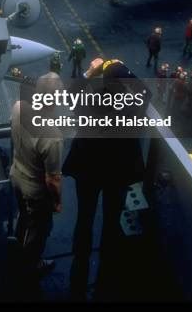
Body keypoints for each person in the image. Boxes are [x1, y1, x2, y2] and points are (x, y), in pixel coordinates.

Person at [62, 57, 150, 300]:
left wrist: (91, 70)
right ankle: (108, 262)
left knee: (85, 217)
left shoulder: (88, 102)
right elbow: (146, 90)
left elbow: (71, 92)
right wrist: (122, 67)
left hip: (88, 172)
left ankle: (80, 262)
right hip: (118, 174)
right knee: (112, 218)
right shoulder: (134, 105)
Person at [9, 72, 64, 277]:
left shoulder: (19, 107)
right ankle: (30, 265)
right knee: (38, 230)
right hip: (35, 190)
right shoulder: (53, 136)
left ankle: (18, 241)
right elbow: (53, 179)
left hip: (16, 174)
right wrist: (57, 202)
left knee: (24, 216)